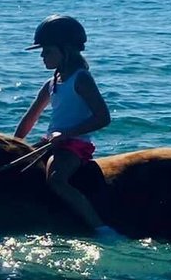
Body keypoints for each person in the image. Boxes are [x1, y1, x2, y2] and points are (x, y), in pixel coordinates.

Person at [14, 14, 121, 240]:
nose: (42, 55)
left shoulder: (81, 79)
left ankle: (101, 228)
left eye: (47, 50)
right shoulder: (52, 83)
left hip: (75, 144)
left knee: (56, 180)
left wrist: (66, 134)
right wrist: (13, 145)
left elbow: (103, 117)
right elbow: (30, 118)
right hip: (53, 142)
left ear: (66, 49)